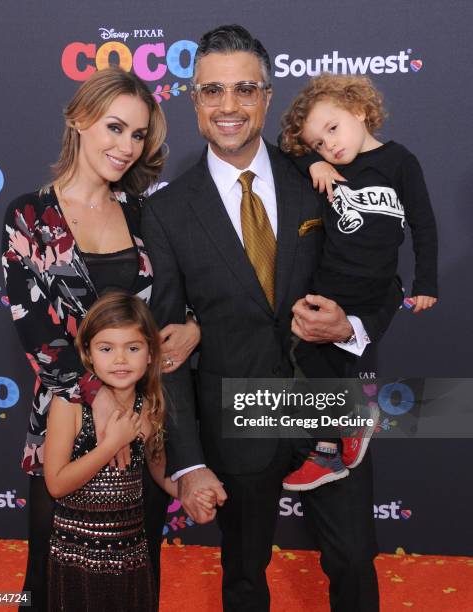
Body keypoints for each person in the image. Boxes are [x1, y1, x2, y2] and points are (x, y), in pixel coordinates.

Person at [142, 24, 401, 612]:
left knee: (356, 563)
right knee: (242, 575)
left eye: (244, 89)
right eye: (212, 91)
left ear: (266, 95)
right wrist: (187, 457)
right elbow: (167, 348)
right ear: (194, 100)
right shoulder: (166, 212)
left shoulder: (322, 179)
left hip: (330, 404)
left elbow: (385, 280)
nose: (228, 106)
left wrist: (351, 327)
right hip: (233, 413)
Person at [2, 66, 200, 611]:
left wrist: (194, 325)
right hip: (65, 422)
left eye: (138, 135)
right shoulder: (29, 216)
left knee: (138, 578)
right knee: (47, 582)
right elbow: (40, 336)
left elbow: (181, 299)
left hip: (144, 423)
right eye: (115, 128)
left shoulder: (145, 212)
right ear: (78, 119)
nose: (127, 147)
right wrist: (101, 403)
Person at [279, 73, 438, 491]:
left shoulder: (399, 161)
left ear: (360, 111)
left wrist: (426, 282)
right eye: (318, 142)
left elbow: (423, 222)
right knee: (312, 361)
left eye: (332, 129)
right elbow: (283, 152)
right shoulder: (326, 168)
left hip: (374, 288)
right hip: (329, 285)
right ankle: (329, 449)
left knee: (345, 360)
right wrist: (311, 161)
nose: (329, 145)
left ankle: (346, 430)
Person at [44, 291, 214, 612]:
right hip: (78, 553)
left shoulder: (149, 405)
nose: (120, 359)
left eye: (133, 348)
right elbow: (56, 484)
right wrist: (110, 444)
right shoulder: (69, 405)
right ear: (88, 354)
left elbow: (156, 465)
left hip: (130, 551)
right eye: (106, 348)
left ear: (151, 353)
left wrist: (186, 492)